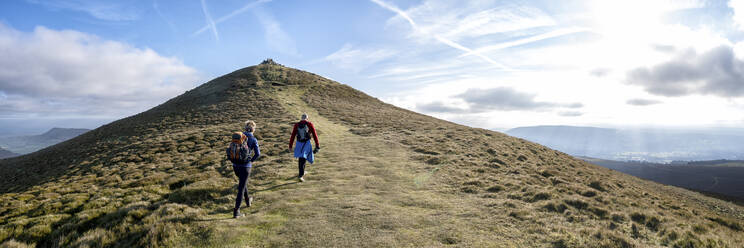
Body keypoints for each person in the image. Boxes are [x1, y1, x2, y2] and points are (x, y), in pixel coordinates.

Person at [227, 120, 260, 218]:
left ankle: (248, 201)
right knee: (241, 188)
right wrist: (251, 161)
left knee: (242, 183)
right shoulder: (253, 139)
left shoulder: (238, 137)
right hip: (245, 167)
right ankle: (236, 212)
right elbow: (258, 154)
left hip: (235, 166)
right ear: (253, 129)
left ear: (245, 128)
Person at [288, 113, 319, 182]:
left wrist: (290, 146)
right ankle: (300, 175)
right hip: (306, 143)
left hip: (299, 143)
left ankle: (302, 172)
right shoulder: (309, 124)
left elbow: (293, 135)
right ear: (307, 118)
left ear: (301, 118)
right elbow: (314, 134)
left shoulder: (296, 125)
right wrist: (317, 145)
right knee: (303, 158)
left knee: (302, 158)